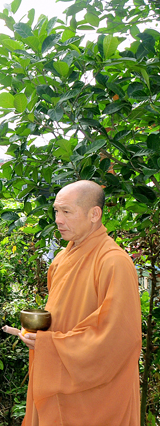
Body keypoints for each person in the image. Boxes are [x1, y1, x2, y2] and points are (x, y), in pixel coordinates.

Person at [13, 180, 141, 426]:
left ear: (94, 214)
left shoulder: (114, 262)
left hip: (96, 394)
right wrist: (38, 336)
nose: (58, 220)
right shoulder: (62, 258)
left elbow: (119, 339)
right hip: (57, 377)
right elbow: (59, 316)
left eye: (66, 212)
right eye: (56, 211)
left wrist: (51, 344)